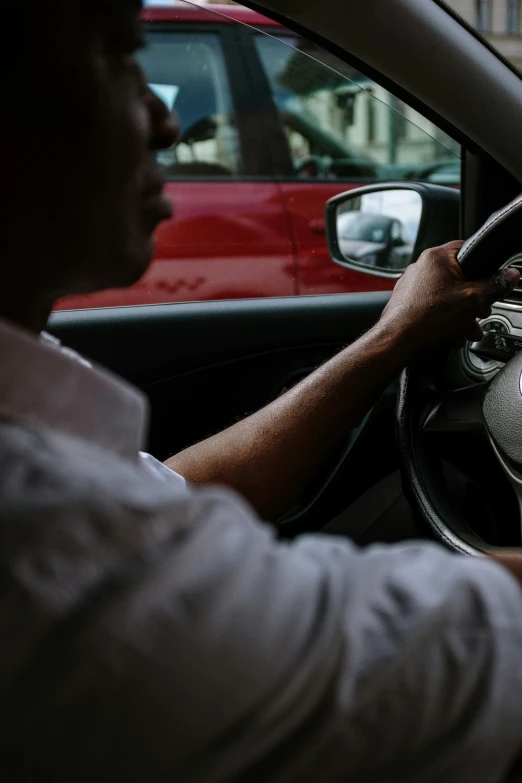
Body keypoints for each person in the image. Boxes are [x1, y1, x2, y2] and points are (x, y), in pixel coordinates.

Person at [1, 1, 522, 781]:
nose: (166, 121)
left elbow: (183, 494)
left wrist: (393, 339)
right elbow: (435, 655)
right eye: (115, 60)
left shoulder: (37, 431)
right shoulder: (39, 541)